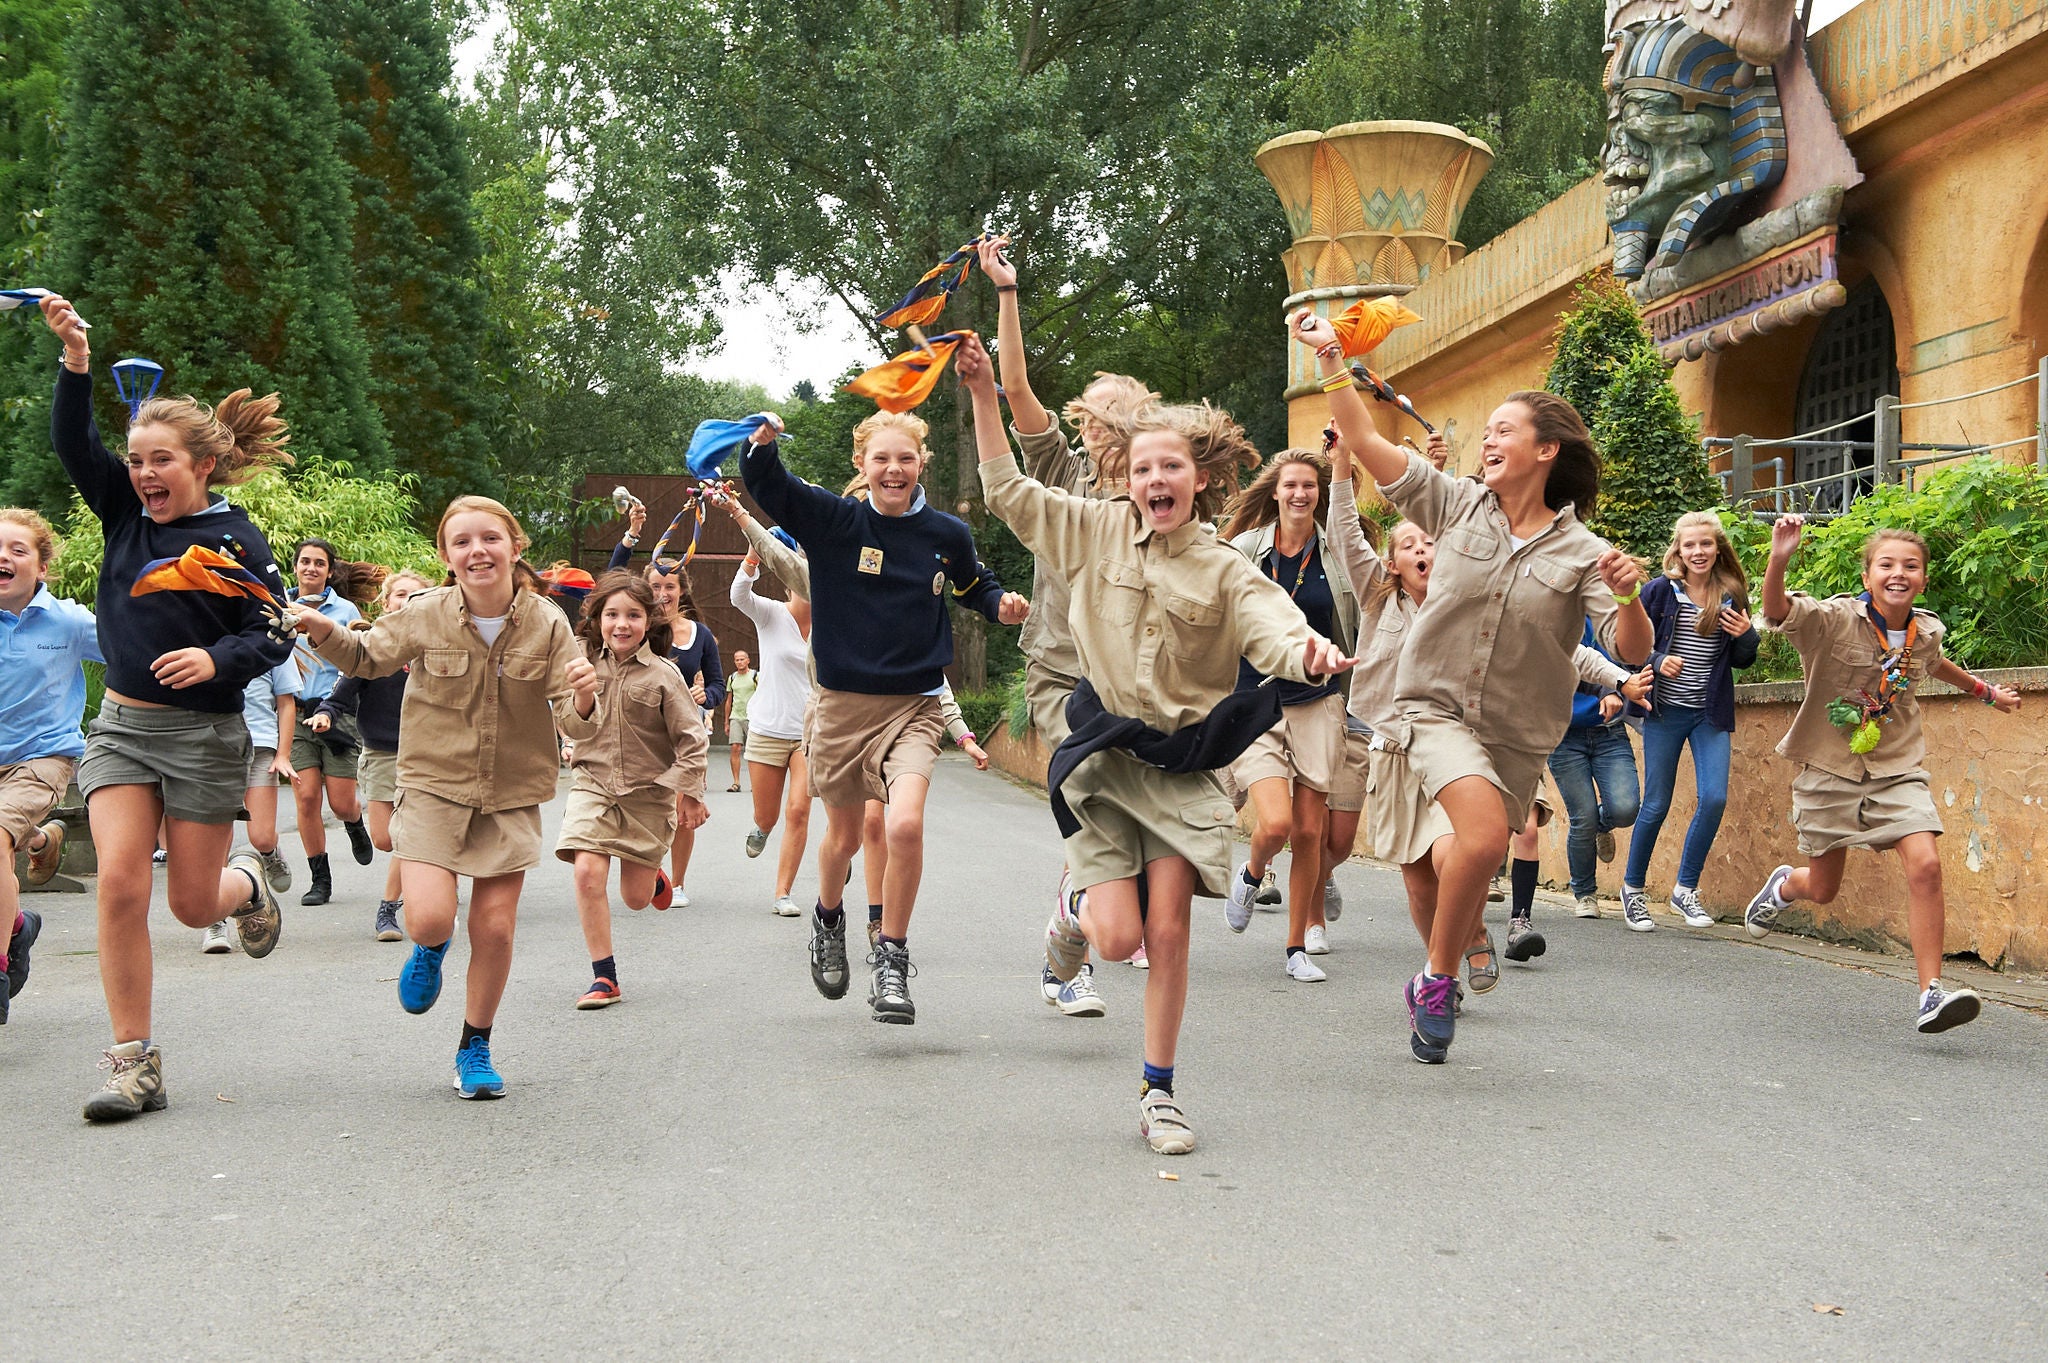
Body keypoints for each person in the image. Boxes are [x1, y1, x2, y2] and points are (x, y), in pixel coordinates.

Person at [968, 335, 1355, 1153]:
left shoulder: (1225, 567)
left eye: (1171, 469)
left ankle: (1160, 1091)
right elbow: (1006, 489)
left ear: (1201, 478)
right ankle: (1075, 911)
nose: (1155, 482)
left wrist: (1310, 651)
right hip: (1106, 757)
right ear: (1126, 478)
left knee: (1169, 928)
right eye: (1142, 470)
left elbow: (1275, 628)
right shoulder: (1093, 531)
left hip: (1183, 766)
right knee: (1117, 939)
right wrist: (979, 393)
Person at [1296, 307, 1651, 1064]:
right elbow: (1363, 440)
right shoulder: (1455, 504)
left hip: (1517, 736)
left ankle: (1438, 965)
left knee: (1465, 852)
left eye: (1504, 431)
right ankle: (1438, 978)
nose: (1488, 440)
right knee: (1489, 838)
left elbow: (1626, 645)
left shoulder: (1588, 552)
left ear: (1546, 450)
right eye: (1485, 432)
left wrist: (1627, 595)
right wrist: (1331, 357)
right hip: (1431, 710)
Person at [40, 293, 293, 1122]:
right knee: (118, 883)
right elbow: (74, 445)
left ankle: (245, 885)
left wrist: (216, 656)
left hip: (203, 737)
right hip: (120, 728)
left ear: (202, 467)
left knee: (188, 904)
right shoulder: (122, 511)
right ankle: (131, 1062)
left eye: (161, 461)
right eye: (137, 459)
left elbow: (274, 632)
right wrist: (76, 362)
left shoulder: (236, 541)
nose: (144, 474)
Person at [296, 495, 601, 1097]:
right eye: (461, 542)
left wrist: (586, 698)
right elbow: (364, 656)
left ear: (516, 548)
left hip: (512, 790)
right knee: (431, 917)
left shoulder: (549, 622)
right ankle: (430, 948)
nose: (477, 550)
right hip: (433, 783)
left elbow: (573, 717)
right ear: (446, 556)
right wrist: (325, 629)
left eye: (490, 538)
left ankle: (475, 1045)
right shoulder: (425, 612)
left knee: (494, 928)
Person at [741, 404, 1028, 1027]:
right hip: (841, 710)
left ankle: (892, 956)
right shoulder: (834, 521)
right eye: (882, 459)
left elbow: (972, 583)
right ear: (861, 465)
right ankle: (827, 916)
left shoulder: (946, 534)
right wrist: (761, 447)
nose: (894, 469)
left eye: (905, 459)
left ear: (921, 464)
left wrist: (998, 602)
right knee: (843, 839)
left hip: (915, 707)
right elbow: (772, 489)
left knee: (902, 827)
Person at [1745, 518, 2021, 1032]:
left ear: (1923, 578)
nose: (1899, 574)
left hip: (1896, 768)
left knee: (1926, 865)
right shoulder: (1832, 620)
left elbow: (1934, 664)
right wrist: (1780, 557)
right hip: (1828, 767)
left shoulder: (1927, 629)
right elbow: (1777, 611)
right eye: (1887, 565)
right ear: (1868, 575)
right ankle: (1785, 888)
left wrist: (1985, 692)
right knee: (1823, 889)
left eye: (1910, 566)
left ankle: (1930, 994)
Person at [978, 233, 1158, 999]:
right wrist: (1008, 293)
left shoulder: (1159, 488)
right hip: (1059, 665)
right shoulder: (1061, 468)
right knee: (1087, 790)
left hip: (1130, 680)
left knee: (1118, 805)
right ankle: (1072, 945)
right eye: (1083, 411)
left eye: (1105, 411)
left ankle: (1073, 922)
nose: (1088, 421)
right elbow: (1015, 387)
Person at [1218, 449, 1359, 981]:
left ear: (1318, 496)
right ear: (1275, 492)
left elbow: (1361, 606)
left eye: (1310, 486)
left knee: (1309, 834)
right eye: (1291, 485)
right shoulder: (1242, 550)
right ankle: (1253, 873)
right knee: (1274, 824)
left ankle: (1295, 947)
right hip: (1255, 702)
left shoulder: (1336, 555)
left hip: (1319, 705)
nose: (1300, 494)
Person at [557, 571, 708, 1009]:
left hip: (648, 794)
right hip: (593, 784)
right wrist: (583, 698)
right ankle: (605, 978)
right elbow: (567, 724)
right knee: (587, 872)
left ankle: (656, 880)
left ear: (649, 620)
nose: (621, 624)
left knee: (636, 899)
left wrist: (691, 794)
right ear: (598, 618)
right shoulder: (583, 664)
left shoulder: (664, 675)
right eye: (612, 615)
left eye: (633, 615)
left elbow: (692, 739)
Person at [1620, 511, 1759, 930]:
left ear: (1718, 549)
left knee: (1714, 797)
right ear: (1677, 550)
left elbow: (1743, 660)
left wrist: (1747, 635)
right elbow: (1628, 645)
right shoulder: (1659, 592)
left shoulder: (1731, 593)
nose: (1698, 552)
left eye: (1706, 544)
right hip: (1664, 711)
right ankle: (1632, 889)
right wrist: (1658, 661)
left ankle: (1685, 890)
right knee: (1657, 802)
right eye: (1689, 545)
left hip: (1708, 712)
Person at [0, 508, 103, 1026]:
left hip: (43, 755)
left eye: (18, 551)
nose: (4, 558)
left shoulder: (67, 621)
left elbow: (133, 653)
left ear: (41, 568)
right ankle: (21, 908)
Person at [710, 493, 818, 917]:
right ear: (789, 580)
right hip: (769, 728)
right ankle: (760, 829)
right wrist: (754, 555)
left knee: (800, 808)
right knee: (769, 816)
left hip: (810, 733)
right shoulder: (771, 613)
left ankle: (783, 892)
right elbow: (738, 595)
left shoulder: (832, 621)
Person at [314, 569, 430, 941]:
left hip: (428, 757)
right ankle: (433, 865)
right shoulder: (373, 645)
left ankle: (389, 908)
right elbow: (343, 691)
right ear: (386, 602)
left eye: (415, 595)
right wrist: (326, 713)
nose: (407, 601)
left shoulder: (438, 646)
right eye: (400, 595)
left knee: (411, 835)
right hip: (381, 753)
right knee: (385, 838)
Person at [1542, 620, 1650, 926]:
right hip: (1563, 736)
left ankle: (1603, 825)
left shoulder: (1604, 611)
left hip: (1608, 731)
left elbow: (1619, 654)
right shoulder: (1550, 612)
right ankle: (1586, 894)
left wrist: (1610, 688)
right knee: (1583, 817)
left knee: (1626, 809)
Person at [286, 537, 372, 905]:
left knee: (340, 803)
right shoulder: (279, 607)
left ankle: (354, 823)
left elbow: (357, 662)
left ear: (329, 570)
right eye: (305, 561)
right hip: (296, 713)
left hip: (337, 712)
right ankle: (319, 879)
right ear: (295, 567)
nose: (311, 568)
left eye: (319, 563)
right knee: (306, 798)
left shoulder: (345, 610)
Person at [198, 656, 300, 953]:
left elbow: (286, 703)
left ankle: (268, 854)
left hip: (261, 747)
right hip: (215, 748)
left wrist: (283, 754)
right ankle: (215, 921)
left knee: (261, 836)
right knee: (217, 842)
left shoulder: (270, 642)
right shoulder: (204, 633)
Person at [725, 649, 756, 792]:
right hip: (736, 716)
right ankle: (736, 782)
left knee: (754, 751)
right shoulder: (732, 678)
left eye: (742, 659)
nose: (740, 662)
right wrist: (726, 721)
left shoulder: (755, 676)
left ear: (748, 660)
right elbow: (729, 700)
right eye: (737, 660)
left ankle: (755, 783)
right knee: (735, 748)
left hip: (753, 717)